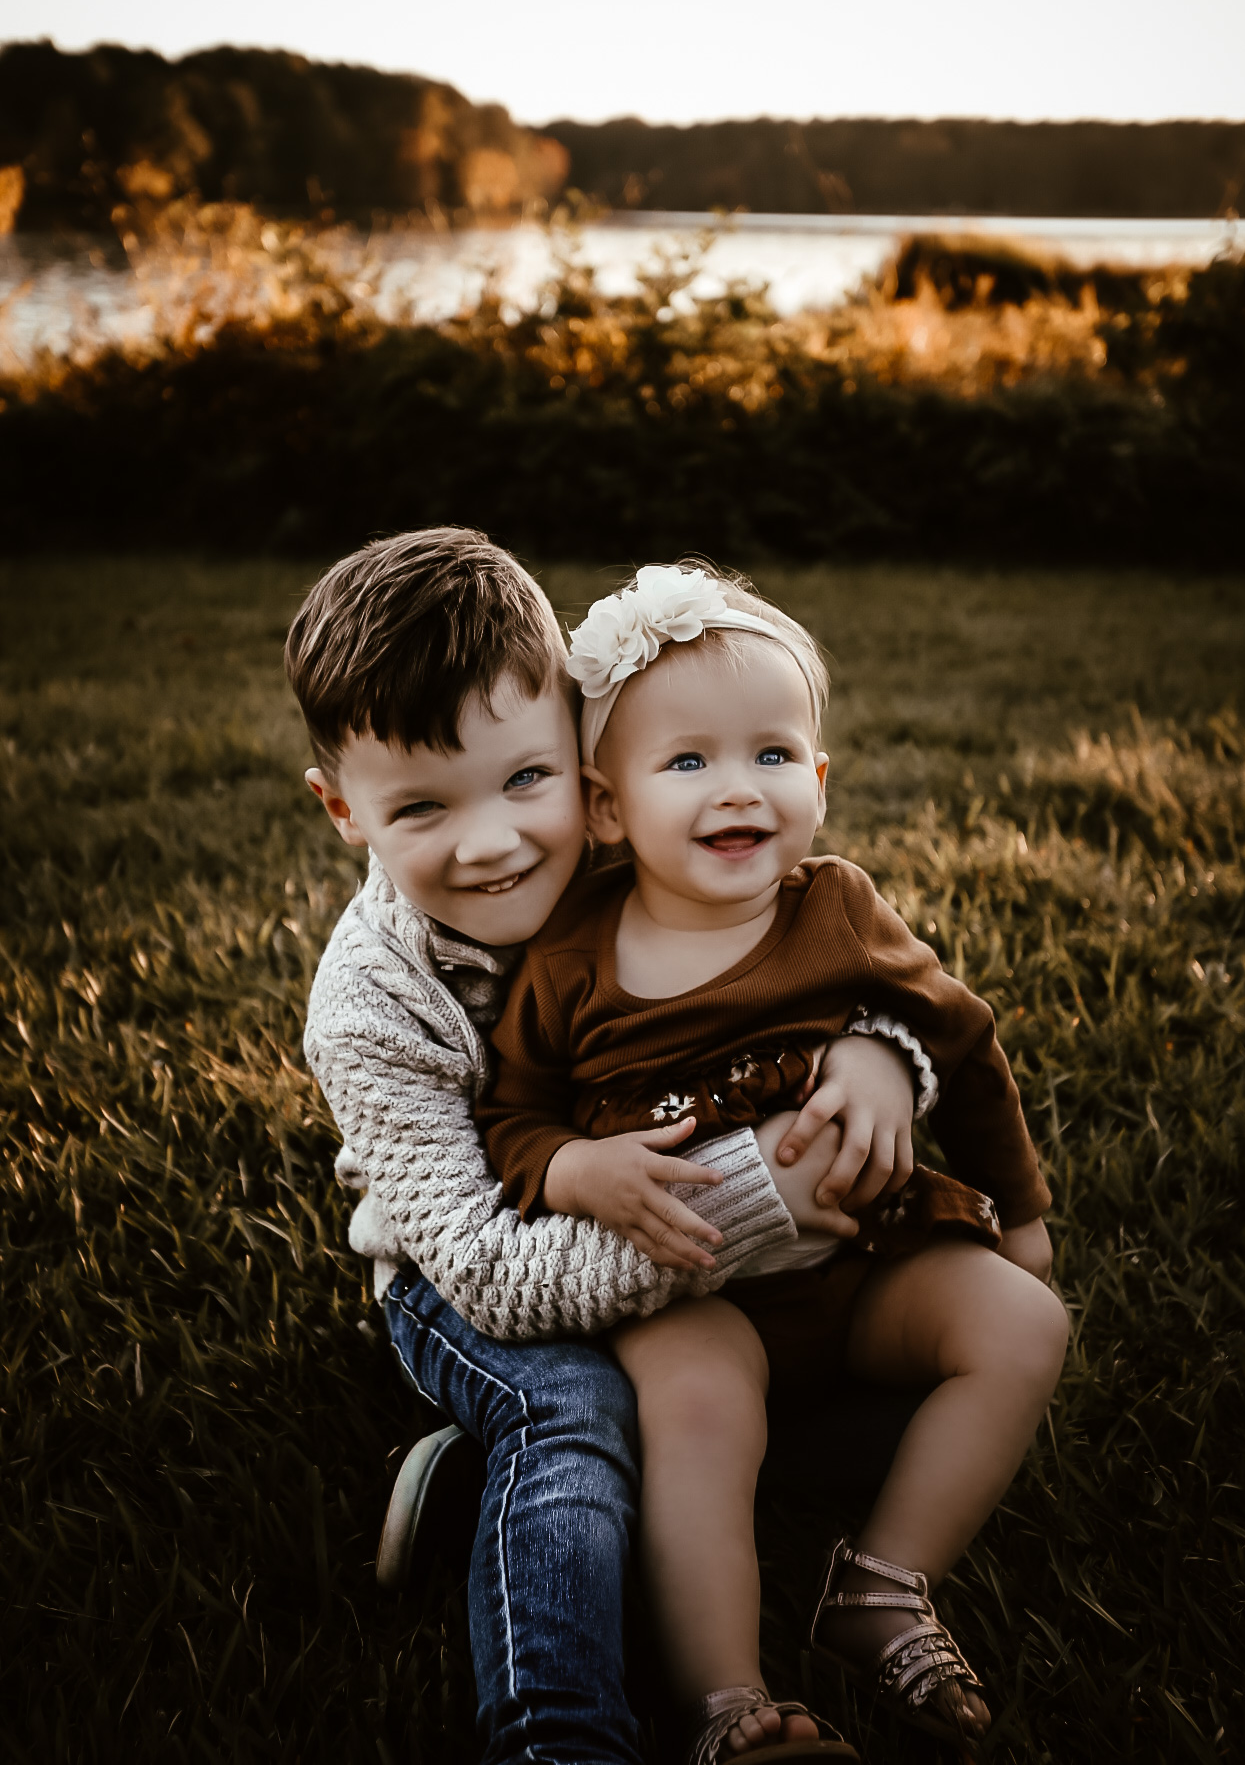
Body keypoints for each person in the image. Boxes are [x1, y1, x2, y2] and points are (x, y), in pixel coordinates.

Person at [287, 530, 924, 1765]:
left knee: (858, 1381)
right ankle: (560, 1734)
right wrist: (751, 1207)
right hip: (468, 1272)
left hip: (695, 1239)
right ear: (339, 810)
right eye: (420, 807)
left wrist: (878, 1051)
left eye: (526, 782)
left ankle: (478, 1502)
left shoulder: (644, 845)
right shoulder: (373, 1004)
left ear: (584, 762)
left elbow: (827, 961)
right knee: (571, 1409)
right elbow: (485, 1269)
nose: (492, 844)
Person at [478, 564, 1070, 1760]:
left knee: (1019, 1324)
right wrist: (572, 1171)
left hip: (861, 1257)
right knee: (697, 1409)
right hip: (688, 1286)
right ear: (605, 809)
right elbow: (510, 1118)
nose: (735, 790)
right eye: (685, 763)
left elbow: (958, 1038)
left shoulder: (836, 910)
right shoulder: (573, 957)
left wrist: (1018, 1213)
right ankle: (728, 1699)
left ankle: (882, 1583)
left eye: (770, 755)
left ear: (817, 780)